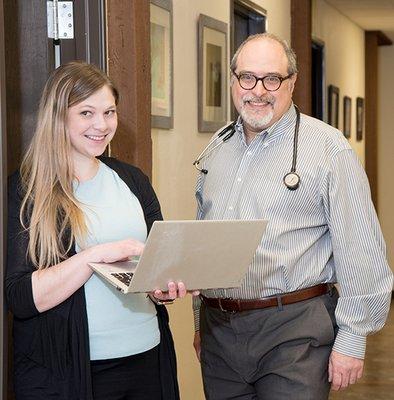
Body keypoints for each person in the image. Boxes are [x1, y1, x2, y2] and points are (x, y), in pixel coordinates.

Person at [192, 33, 393, 400]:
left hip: (294, 329)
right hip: (219, 331)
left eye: (272, 79)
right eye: (247, 78)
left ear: (292, 82)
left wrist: (352, 340)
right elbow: (205, 242)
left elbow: (361, 248)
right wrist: (198, 322)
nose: (258, 90)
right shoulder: (216, 149)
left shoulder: (329, 149)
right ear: (234, 80)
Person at [7, 61, 185, 400]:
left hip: (147, 359)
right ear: (59, 117)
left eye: (109, 112)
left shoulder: (133, 180)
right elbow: (21, 297)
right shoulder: (25, 191)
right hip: (71, 372)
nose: (101, 125)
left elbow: (157, 262)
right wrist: (95, 256)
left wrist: (161, 287)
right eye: (86, 113)